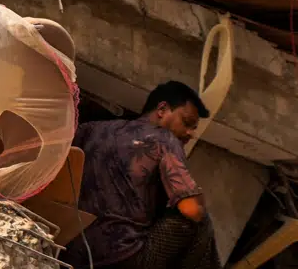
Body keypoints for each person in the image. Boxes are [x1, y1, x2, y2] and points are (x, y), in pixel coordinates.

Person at [69, 81, 219, 269]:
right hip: (123, 260)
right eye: (187, 123)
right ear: (162, 109)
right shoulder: (165, 139)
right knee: (199, 220)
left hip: (70, 247)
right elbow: (192, 210)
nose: (190, 133)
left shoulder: (90, 129)